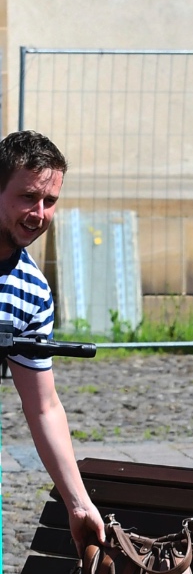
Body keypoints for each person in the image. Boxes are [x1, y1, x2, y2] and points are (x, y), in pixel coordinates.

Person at [0, 132, 104, 551]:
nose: (39, 213)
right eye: (28, 197)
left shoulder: (32, 291)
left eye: (51, 201)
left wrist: (77, 504)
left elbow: (43, 406)